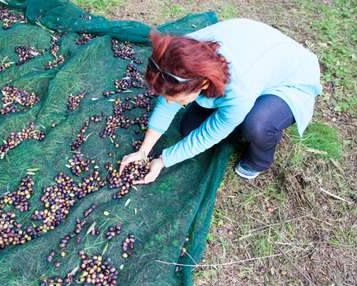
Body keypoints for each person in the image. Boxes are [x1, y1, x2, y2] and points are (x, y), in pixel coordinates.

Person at [119, 18, 322, 182]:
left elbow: (209, 134)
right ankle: (239, 116)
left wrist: (163, 160)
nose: (170, 103)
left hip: (291, 80)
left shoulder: (240, 88)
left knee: (256, 124)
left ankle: (258, 161)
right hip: (257, 58)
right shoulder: (179, 55)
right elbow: (168, 96)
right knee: (189, 128)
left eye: (176, 99)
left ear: (203, 84)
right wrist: (143, 151)